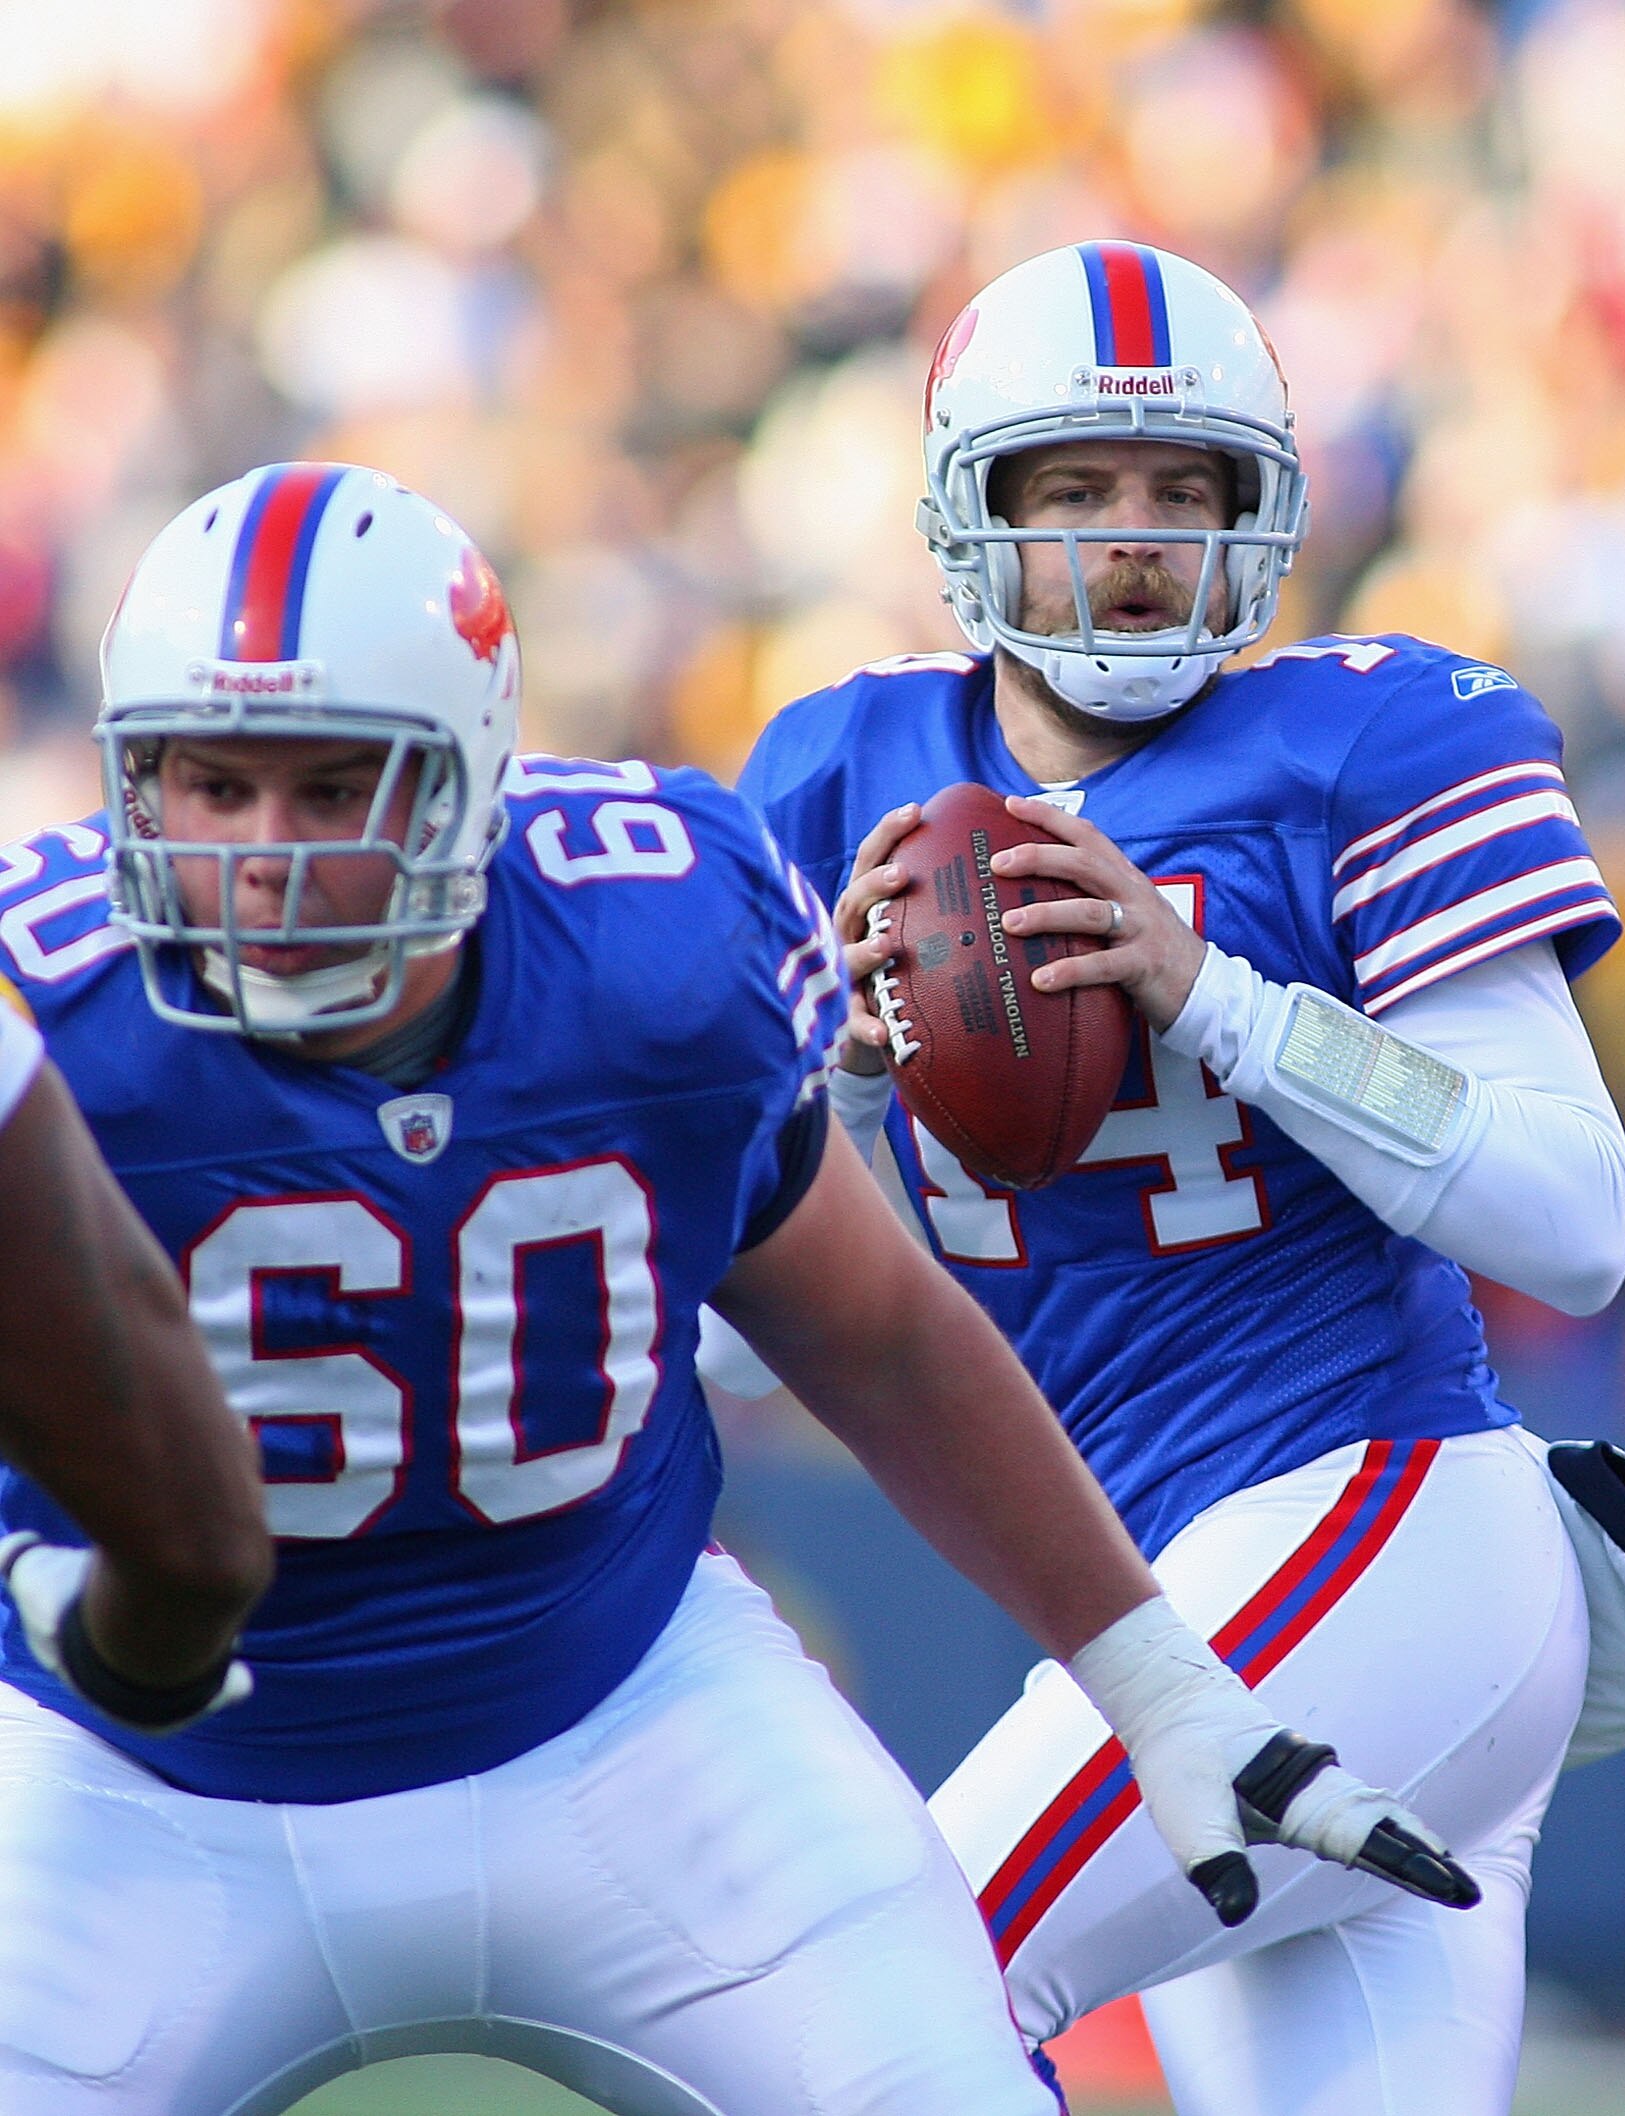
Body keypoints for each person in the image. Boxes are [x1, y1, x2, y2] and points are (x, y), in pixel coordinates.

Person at [0, 460, 1462, 2116]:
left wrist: (1156, 1682)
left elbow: (882, 1336)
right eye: (215, 786)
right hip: (131, 1776)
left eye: (338, 788)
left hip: (620, 1714)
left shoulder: (655, 941)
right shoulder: (43, 1008)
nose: (266, 855)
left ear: (474, 776)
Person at [734, 239, 1625, 2116]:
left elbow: (1577, 1230)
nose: (1134, 538)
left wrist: (1217, 998)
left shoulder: (1370, 744)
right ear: (969, 514)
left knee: (886, 1983)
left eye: (1186, 489)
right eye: (1076, 487)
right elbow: (761, 1355)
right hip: (1148, 1574)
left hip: (1383, 1527)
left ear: (1267, 515)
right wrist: (825, 1100)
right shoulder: (844, 774)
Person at [0, 987, 271, 1739]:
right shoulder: (36, 978)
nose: (268, 871)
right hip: (64, 1743)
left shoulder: (615, 935)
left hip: (601, 1714)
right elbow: (199, 1559)